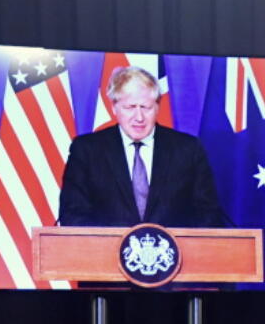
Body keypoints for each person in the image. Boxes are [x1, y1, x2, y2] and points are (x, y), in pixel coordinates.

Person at [58, 66, 231, 228]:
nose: (139, 117)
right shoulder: (87, 150)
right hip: (105, 257)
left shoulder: (187, 149)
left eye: (146, 107)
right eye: (130, 107)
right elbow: (73, 215)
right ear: (114, 108)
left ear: (157, 107)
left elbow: (208, 214)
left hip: (175, 256)